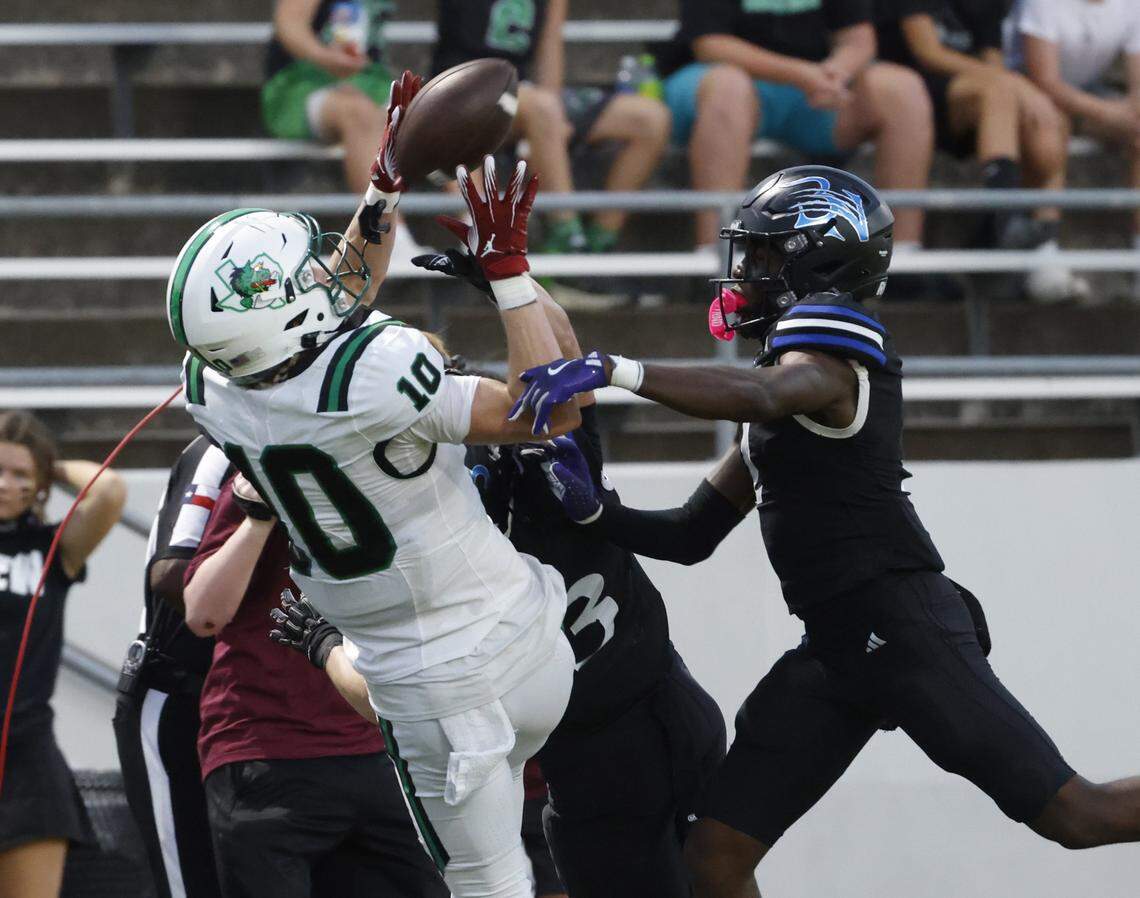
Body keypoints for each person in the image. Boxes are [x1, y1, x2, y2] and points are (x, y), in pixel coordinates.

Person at [510, 165, 1140, 897]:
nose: (745, 271)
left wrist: (616, 369)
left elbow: (768, 390)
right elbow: (691, 533)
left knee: (1075, 814)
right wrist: (596, 513)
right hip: (836, 648)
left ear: (822, 259)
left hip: (902, 627)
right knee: (714, 860)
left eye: (766, 254)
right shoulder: (779, 396)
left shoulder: (829, 351)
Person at [166, 65, 580, 898]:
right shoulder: (377, 371)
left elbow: (329, 295)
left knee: (492, 886)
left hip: (428, 682)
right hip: (524, 635)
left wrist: (384, 186)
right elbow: (551, 416)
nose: (326, 268)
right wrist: (508, 271)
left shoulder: (214, 392)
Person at [267, 281, 732, 898]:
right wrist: (509, 282)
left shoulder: (443, 544)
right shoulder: (534, 468)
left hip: (611, 746)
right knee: (722, 878)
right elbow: (564, 361)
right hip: (654, 713)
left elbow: (401, 701)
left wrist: (327, 646)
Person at [180, 475, 448, 898]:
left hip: (381, 749)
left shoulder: (403, 465)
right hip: (267, 748)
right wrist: (258, 519)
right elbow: (203, 614)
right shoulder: (257, 462)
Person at [658, 0, 933, 261]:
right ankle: (719, 251)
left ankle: (902, 253)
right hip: (721, 81)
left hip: (815, 91)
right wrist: (803, 75)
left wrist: (834, 75)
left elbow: (858, 40)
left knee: (903, 88)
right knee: (728, 88)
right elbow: (711, 45)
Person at [873, 0, 1085, 301]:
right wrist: (1011, 82)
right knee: (1002, 91)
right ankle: (1003, 214)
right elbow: (928, 52)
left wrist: (1016, 89)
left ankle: (1040, 241)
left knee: (1049, 114)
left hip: (979, 99)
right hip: (916, 96)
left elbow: (993, 59)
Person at [0, 410, 125, 898]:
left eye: (19, 475)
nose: (5, 484)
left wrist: (48, 464)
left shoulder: (52, 549)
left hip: (27, 760)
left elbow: (109, 490)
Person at [432, 0, 672, 253]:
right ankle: (566, 234)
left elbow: (550, 44)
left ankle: (601, 239)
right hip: (462, 89)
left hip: (524, 98)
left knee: (650, 120)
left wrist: (554, 113)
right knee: (540, 106)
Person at [112, 437, 230, 898]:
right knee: (193, 881)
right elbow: (170, 574)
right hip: (181, 692)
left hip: (268, 705)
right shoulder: (220, 447)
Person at [263, 0, 424, 260]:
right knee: (358, 112)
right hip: (300, 82)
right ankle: (385, 239)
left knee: (438, 110)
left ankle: (477, 230)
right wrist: (325, 58)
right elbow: (290, 23)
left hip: (369, 79)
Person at [1012, 0, 1140, 298]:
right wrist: (1109, 114)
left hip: (1086, 94)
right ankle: (1044, 256)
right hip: (1026, 91)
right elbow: (1044, 80)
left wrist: (1131, 115)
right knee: (1051, 128)